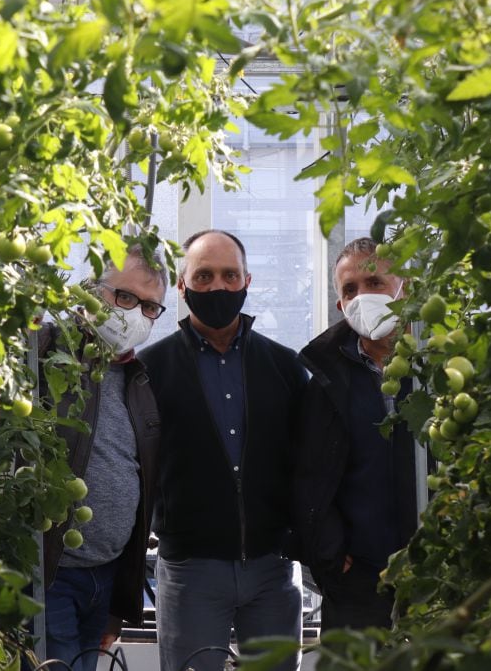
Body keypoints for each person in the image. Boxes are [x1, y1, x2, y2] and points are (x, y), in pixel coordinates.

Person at [139, 230, 308, 671]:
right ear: (182, 284)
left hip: (272, 569)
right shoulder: (149, 370)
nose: (218, 287)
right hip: (190, 571)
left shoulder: (286, 366)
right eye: (205, 275)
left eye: (230, 275)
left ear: (247, 281)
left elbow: (309, 462)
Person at [38, 246, 167, 671]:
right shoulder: (45, 353)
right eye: (125, 298)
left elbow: (141, 484)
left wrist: (118, 603)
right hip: (51, 574)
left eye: (149, 307)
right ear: (91, 290)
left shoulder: (139, 380)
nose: (135, 315)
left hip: (105, 576)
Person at [294, 237, 422, 631]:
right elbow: (305, 473)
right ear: (340, 306)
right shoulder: (322, 377)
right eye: (350, 290)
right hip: (358, 579)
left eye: (374, 284)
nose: (362, 297)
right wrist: (331, 554)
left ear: (406, 289)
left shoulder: (441, 366)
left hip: (438, 572)